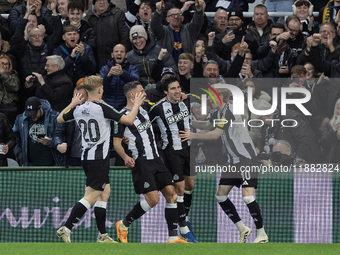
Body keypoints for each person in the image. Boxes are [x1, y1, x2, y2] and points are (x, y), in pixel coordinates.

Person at [56, 75, 146, 243]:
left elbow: (59, 118)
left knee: (104, 193)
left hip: (86, 157)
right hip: (99, 158)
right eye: (102, 88)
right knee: (91, 195)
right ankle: (66, 227)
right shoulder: (102, 108)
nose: (103, 90)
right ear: (98, 90)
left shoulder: (79, 108)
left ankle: (102, 235)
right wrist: (137, 104)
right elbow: (128, 119)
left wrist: (73, 103)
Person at [179, 86, 269, 243]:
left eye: (210, 98)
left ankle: (261, 233)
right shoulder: (218, 112)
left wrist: (192, 135)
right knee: (221, 195)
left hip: (246, 158)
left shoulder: (230, 110)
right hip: (233, 161)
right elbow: (208, 124)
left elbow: (215, 134)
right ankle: (243, 228)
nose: (208, 101)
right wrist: (186, 120)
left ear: (220, 97)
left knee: (247, 197)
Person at [113, 81, 188, 243]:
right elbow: (116, 142)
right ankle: (124, 225)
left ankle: (173, 237)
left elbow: (164, 102)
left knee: (172, 194)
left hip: (156, 159)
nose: (145, 93)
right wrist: (126, 157)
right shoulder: (122, 116)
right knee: (153, 200)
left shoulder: (145, 109)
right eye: (141, 91)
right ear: (132, 95)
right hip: (141, 162)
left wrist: (182, 96)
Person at [148, 76, 198, 242]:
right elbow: (142, 121)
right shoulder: (158, 108)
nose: (177, 91)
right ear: (165, 92)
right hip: (172, 151)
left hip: (189, 149)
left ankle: (185, 217)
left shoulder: (187, 100)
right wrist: (128, 137)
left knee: (190, 184)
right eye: (173, 89)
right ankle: (183, 227)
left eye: (178, 87)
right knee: (180, 188)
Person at [12, 96, 62, 166]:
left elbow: (62, 137)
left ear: (40, 108)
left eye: (34, 115)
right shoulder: (20, 120)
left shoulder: (55, 117)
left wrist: (51, 142)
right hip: (30, 165)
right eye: (30, 115)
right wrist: (18, 152)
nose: (33, 118)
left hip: (52, 164)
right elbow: (14, 138)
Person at [86, 0, 131, 69]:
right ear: (94, 3)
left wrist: (121, 57)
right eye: (98, 0)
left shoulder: (117, 14)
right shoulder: (89, 18)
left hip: (115, 60)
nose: (102, 2)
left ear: (108, 2)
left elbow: (125, 37)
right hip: (96, 61)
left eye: (105, 0)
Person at [52, 84, 88, 167]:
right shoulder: (68, 113)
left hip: (91, 157)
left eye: (80, 97)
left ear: (87, 98)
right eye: (75, 97)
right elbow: (58, 133)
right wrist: (59, 144)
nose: (77, 100)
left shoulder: (95, 111)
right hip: (73, 157)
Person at [100, 44, 139, 111]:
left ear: (126, 55)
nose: (119, 53)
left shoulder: (132, 68)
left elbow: (136, 84)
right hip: (108, 107)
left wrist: (123, 73)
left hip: (126, 107)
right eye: (116, 51)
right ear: (112, 55)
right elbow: (100, 87)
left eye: (122, 51)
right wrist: (109, 75)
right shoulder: (104, 69)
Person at [0, 54, 20, 126]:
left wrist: (3, 74)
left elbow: (15, 87)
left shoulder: (13, 75)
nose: (5, 66)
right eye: (2, 64)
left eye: (7, 64)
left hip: (9, 106)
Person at [321, 98, 340, 163]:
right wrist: (333, 130)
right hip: (332, 162)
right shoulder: (329, 124)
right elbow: (323, 143)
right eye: (339, 109)